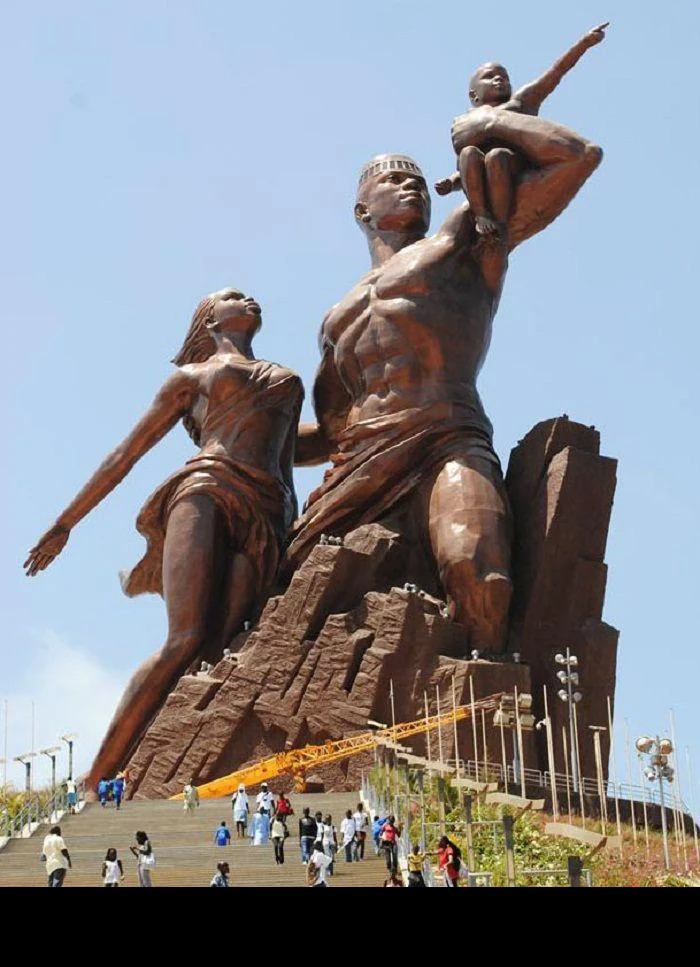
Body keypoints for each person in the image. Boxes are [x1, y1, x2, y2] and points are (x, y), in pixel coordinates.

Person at [291, 98, 603, 657]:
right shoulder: (335, 320)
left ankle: (486, 716)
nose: (410, 186)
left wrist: (491, 123)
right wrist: (238, 442)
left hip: (445, 438)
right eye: (393, 179)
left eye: (416, 179)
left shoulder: (464, 240)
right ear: (362, 211)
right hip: (357, 463)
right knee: (281, 596)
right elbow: (331, 429)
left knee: (481, 573)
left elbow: (577, 157)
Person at [25, 288, 304, 787]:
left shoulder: (288, 381)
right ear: (210, 321)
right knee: (186, 638)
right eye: (234, 297)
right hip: (207, 491)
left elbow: (285, 463)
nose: (251, 299)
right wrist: (67, 522)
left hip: (268, 512)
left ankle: (169, 769)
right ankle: (97, 780)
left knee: (219, 650)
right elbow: (125, 454)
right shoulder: (192, 378)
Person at [435, 24, 608, 237]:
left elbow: (555, 73)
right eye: (489, 77)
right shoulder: (467, 123)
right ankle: (482, 215)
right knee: (469, 153)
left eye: (504, 77)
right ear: (474, 96)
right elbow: (470, 169)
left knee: (497, 156)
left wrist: (584, 44)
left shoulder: (519, 104)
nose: (499, 79)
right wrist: (451, 182)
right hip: (483, 178)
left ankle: (499, 222)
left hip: (512, 165)